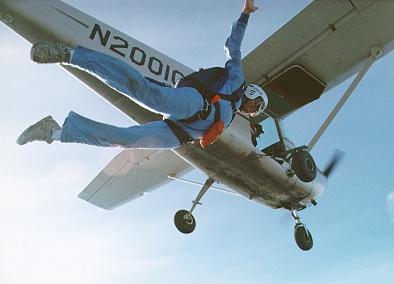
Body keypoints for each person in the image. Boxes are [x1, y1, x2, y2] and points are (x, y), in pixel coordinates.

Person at [17, 0, 268, 150]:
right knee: (149, 94)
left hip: (178, 135)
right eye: (258, 104)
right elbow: (233, 48)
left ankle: (53, 132)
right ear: (254, 93)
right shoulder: (237, 80)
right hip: (195, 104)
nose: (254, 109)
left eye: (257, 110)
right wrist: (244, 15)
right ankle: (70, 55)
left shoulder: (233, 114)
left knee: (125, 140)